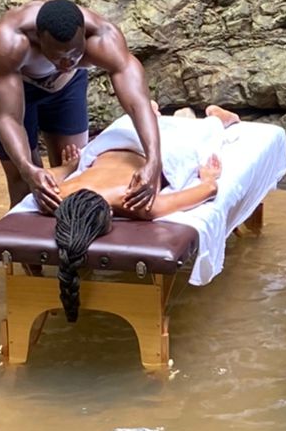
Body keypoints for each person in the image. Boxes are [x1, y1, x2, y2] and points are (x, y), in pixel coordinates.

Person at [0, 0, 162, 214]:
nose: (68, 63)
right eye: (59, 56)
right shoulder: (12, 40)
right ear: (39, 40)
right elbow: (9, 119)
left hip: (64, 85)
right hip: (13, 81)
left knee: (76, 168)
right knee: (27, 185)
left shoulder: (104, 37)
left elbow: (138, 104)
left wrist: (154, 160)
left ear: (83, 36)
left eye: (75, 54)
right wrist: (27, 168)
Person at [47, 105, 239, 321]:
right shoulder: (59, 194)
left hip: (156, 152)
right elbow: (45, 176)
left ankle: (217, 120)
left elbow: (209, 190)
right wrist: (70, 167)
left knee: (201, 137)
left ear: (109, 214)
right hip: (113, 141)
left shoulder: (130, 201)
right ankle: (150, 110)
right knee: (138, 119)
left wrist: (208, 176)